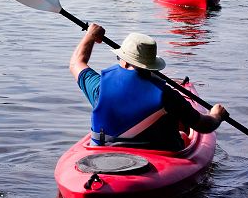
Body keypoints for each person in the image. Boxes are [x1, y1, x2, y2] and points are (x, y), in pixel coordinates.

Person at [69, 23, 227, 151]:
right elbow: (204, 126)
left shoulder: (99, 86)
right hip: (158, 160)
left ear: (123, 61)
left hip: (103, 156)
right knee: (183, 135)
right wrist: (216, 116)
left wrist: (90, 35)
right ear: (152, 66)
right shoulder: (168, 96)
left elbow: (77, 62)